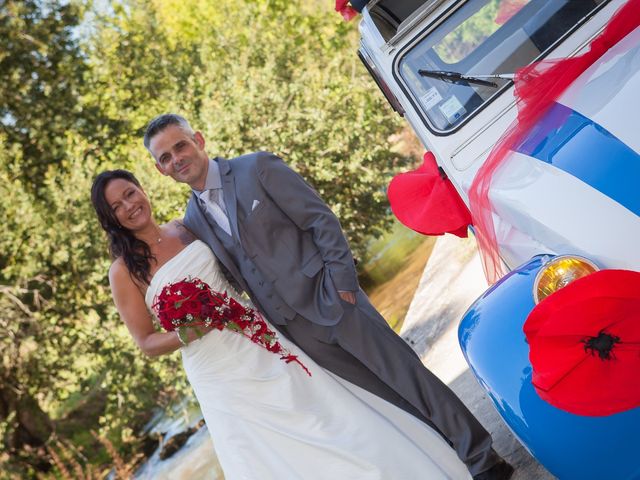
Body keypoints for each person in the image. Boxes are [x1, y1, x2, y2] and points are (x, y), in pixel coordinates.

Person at [142, 113, 514, 480]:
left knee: (409, 379)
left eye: (181, 146)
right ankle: (445, 463)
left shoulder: (256, 168)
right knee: (381, 400)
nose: (177, 159)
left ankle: (482, 459)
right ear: (161, 170)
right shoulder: (191, 220)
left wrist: (343, 285)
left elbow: (320, 220)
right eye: (166, 158)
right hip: (292, 328)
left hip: (334, 300)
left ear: (199, 141)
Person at [92, 169, 474, 479]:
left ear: (143, 188)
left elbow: (238, 263)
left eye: (130, 193)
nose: (129, 205)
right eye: (117, 205)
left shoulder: (186, 227)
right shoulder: (123, 271)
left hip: (262, 338)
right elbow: (145, 342)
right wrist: (190, 331)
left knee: (330, 414)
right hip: (218, 372)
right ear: (110, 218)